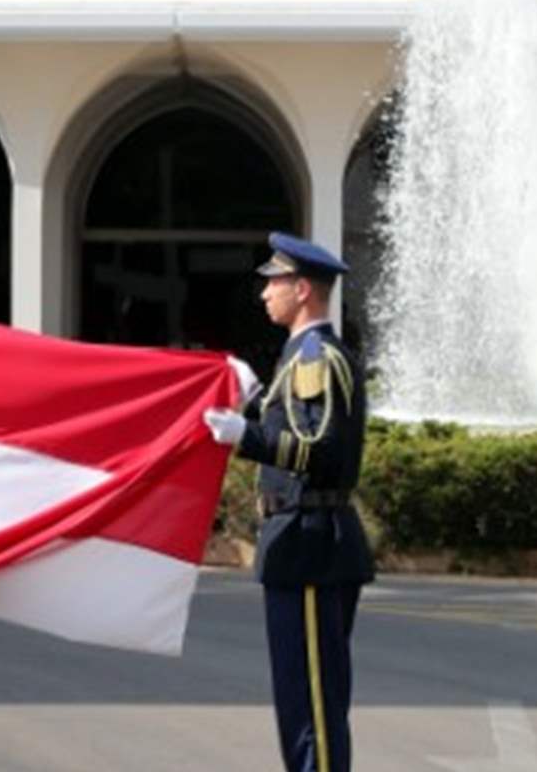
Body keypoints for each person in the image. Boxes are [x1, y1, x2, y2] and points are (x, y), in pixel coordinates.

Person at [202, 232, 374, 772]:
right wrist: (256, 403)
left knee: (312, 706)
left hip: (309, 542)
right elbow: (303, 430)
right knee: (303, 701)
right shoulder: (302, 356)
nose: (264, 295)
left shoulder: (314, 359)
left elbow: (320, 450)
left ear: (302, 290)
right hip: (304, 540)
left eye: (273, 283)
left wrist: (245, 437)